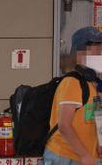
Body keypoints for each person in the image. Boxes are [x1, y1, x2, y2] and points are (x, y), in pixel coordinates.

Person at [44, 26, 102, 165]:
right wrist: (85, 155)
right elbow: (64, 125)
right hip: (64, 157)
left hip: (86, 156)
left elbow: (97, 117)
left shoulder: (95, 84)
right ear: (80, 53)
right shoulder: (72, 83)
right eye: (97, 49)